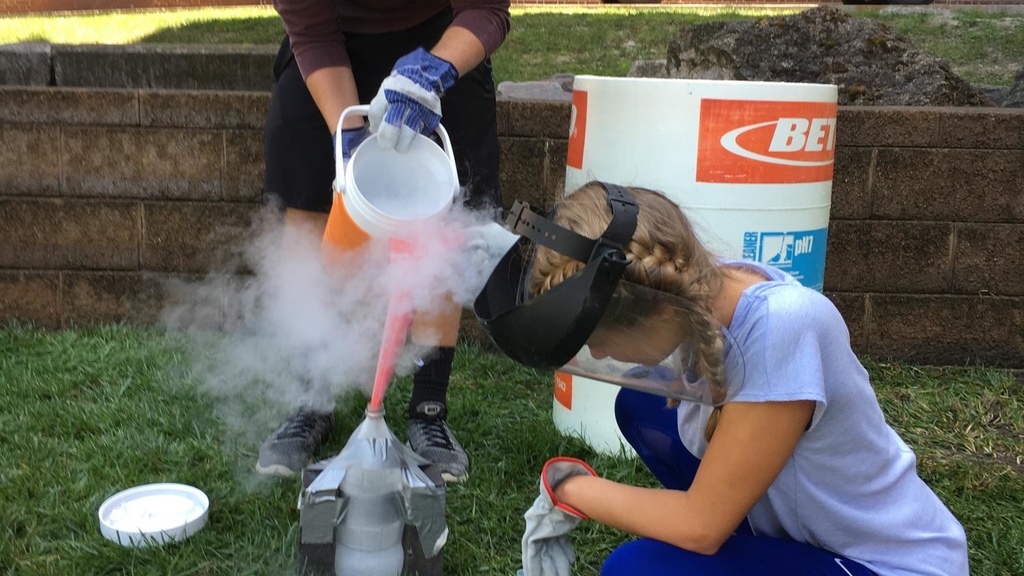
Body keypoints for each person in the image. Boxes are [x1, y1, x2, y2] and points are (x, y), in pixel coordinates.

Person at [473, 182, 969, 575]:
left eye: (599, 337)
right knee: (637, 405)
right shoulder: (707, 287)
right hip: (804, 530)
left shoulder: (782, 326)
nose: (598, 352)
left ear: (653, 309)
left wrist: (567, 486)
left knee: (636, 570)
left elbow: (700, 528)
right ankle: (755, 538)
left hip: (885, 563)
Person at [259, 0, 511, 482]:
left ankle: (428, 409)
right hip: (330, 52)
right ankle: (312, 400)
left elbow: (487, 9)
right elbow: (312, 32)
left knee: (443, 216)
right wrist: (348, 138)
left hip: (442, 42)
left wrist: (434, 71)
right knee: (309, 199)